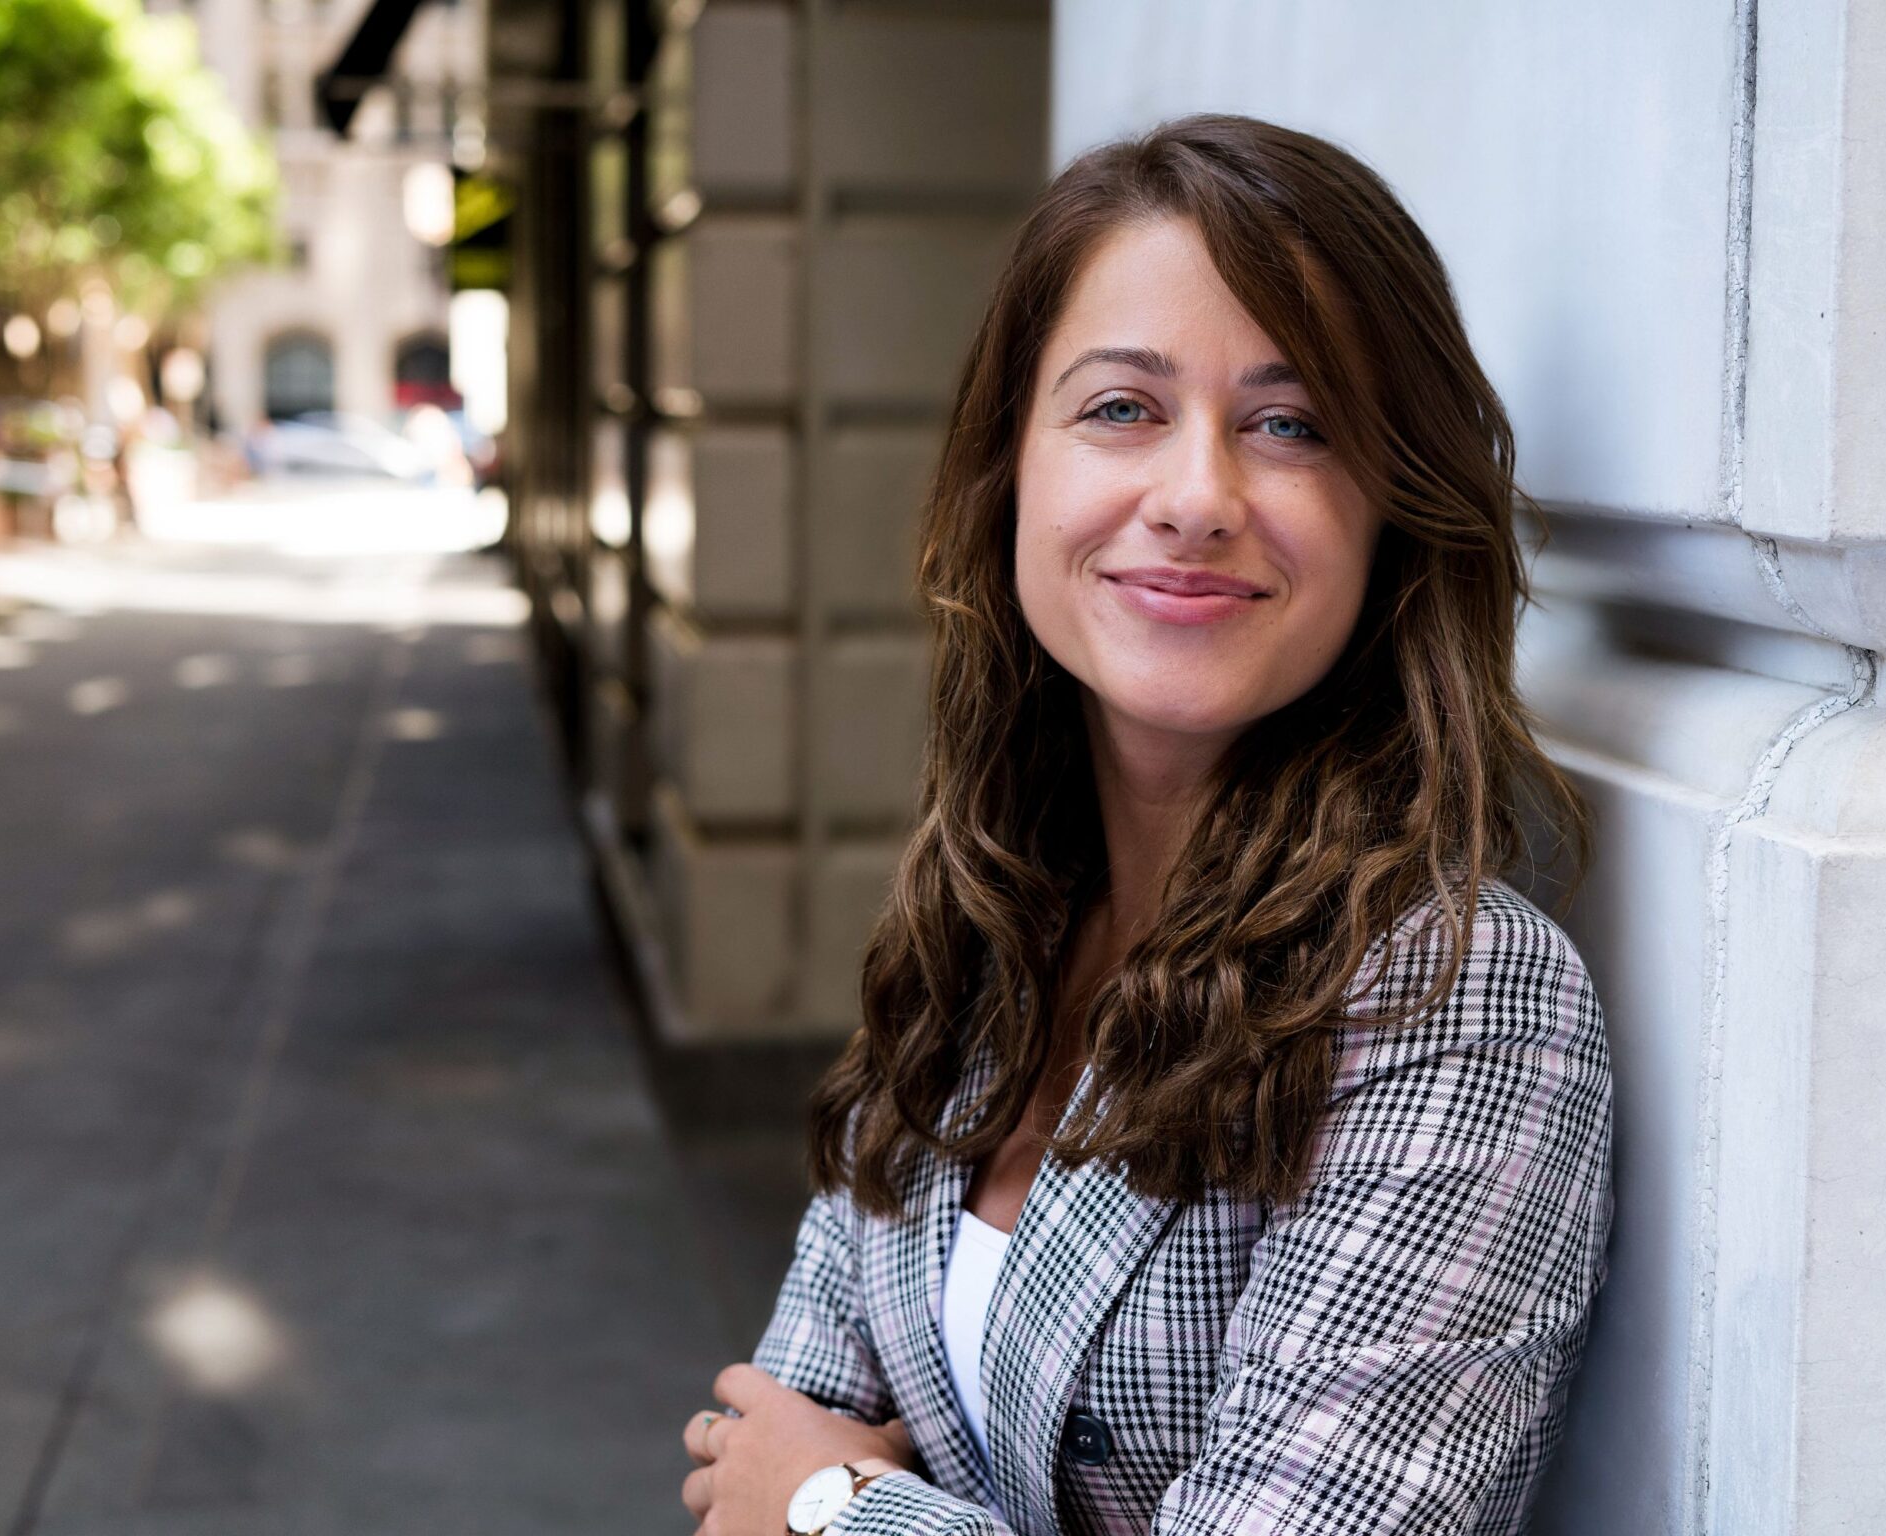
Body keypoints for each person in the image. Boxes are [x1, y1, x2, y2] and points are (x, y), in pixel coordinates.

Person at [679, 113, 1613, 1536]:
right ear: (1013, 469)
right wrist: (807, 1479)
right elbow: (763, 1427)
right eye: (1123, 408)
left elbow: (780, 1480)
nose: (1195, 498)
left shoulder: (1453, 995)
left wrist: (831, 1506)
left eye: (1291, 425)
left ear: (1393, 514)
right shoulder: (992, 916)